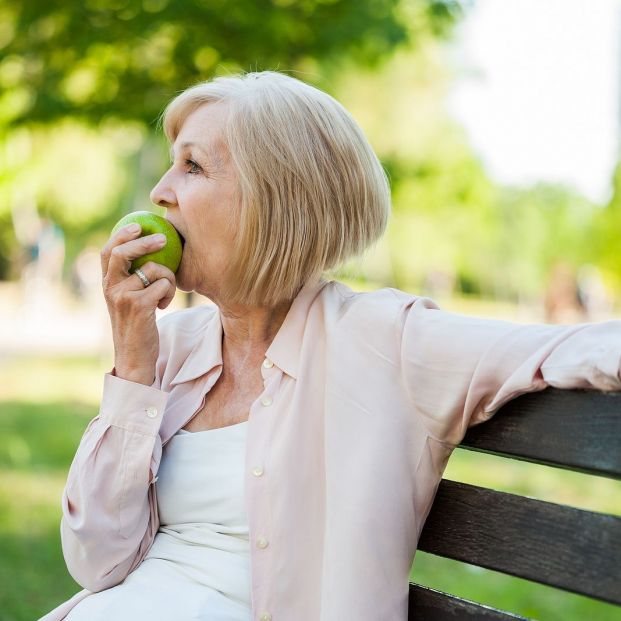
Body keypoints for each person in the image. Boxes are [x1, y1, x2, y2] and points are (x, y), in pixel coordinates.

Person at [40, 71, 621, 621]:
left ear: (276, 201)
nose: (160, 192)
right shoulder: (171, 348)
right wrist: (133, 367)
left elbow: (572, 347)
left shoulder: (383, 341)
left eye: (192, 167)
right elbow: (98, 561)